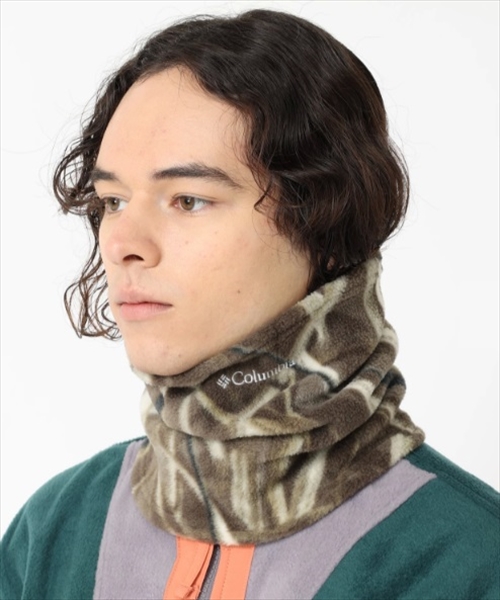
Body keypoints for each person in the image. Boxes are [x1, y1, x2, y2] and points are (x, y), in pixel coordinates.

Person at [1, 8, 498, 600]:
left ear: (321, 219)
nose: (123, 244)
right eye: (113, 201)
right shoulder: (53, 532)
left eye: (188, 200)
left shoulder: (467, 561)